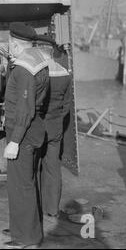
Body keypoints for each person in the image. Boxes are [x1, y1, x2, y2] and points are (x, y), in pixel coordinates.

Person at [3, 22, 49, 249]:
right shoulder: (39, 60)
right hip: (35, 130)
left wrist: (14, 141)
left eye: (11, 44)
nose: (9, 47)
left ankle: (27, 238)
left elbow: (24, 108)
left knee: (21, 185)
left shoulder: (23, 69)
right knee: (27, 182)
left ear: (16, 44)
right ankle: (21, 227)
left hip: (22, 133)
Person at [37, 37, 72, 219]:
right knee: (53, 167)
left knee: (32, 168)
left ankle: (36, 208)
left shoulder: (38, 73)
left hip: (38, 125)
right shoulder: (64, 73)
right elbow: (67, 105)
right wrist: (56, 117)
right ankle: (52, 208)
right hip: (56, 125)